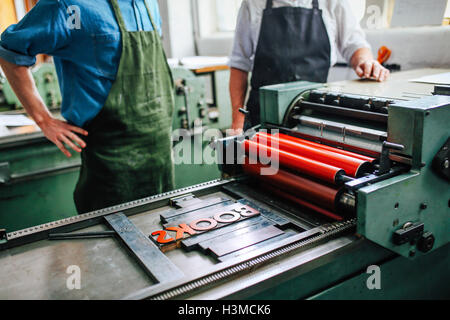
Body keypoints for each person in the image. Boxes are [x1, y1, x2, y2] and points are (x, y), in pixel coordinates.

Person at [0, 0, 175, 214]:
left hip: (161, 153)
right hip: (110, 159)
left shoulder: (148, 3)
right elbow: (9, 51)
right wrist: (43, 119)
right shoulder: (66, 5)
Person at [229, 0, 390, 131]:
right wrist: (238, 119)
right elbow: (239, 64)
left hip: (312, 115)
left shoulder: (332, 2)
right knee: (258, 168)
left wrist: (365, 61)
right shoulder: (252, 4)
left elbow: (354, 45)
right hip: (262, 115)